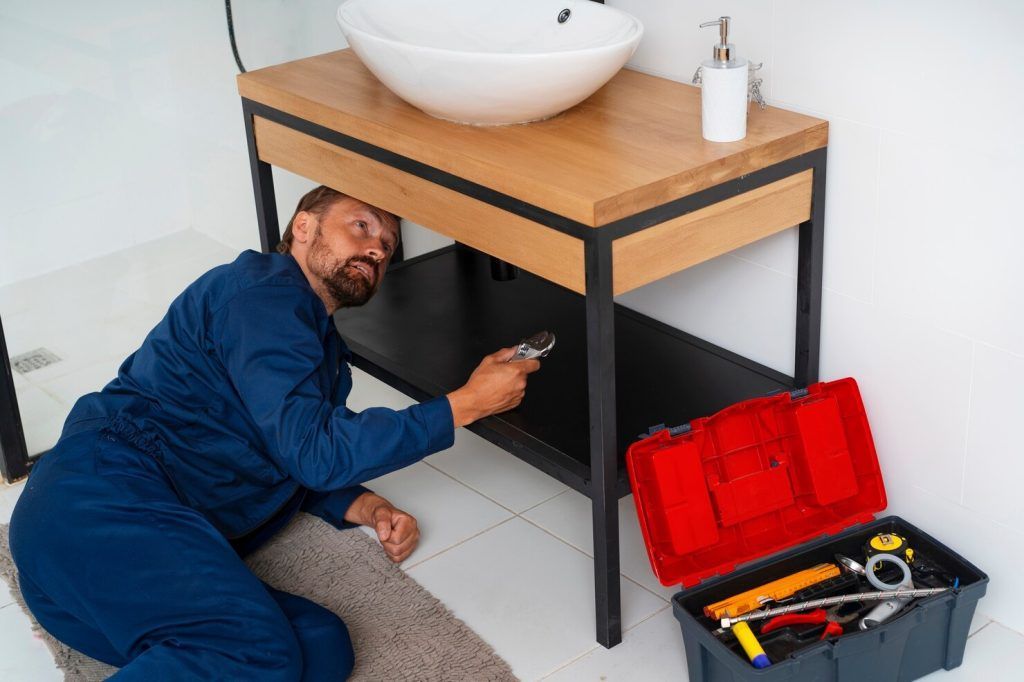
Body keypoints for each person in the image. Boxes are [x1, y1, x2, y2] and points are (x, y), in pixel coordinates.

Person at [9, 185, 541, 680]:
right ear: (304, 228)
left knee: (322, 645)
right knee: (258, 649)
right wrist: (463, 405)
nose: (378, 248)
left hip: (99, 581)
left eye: (387, 243)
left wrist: (364, 507)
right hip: (100, 500)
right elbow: (314, 453)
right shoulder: (261, 295)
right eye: (361, 225)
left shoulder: (314, 341)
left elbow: (289, 447)